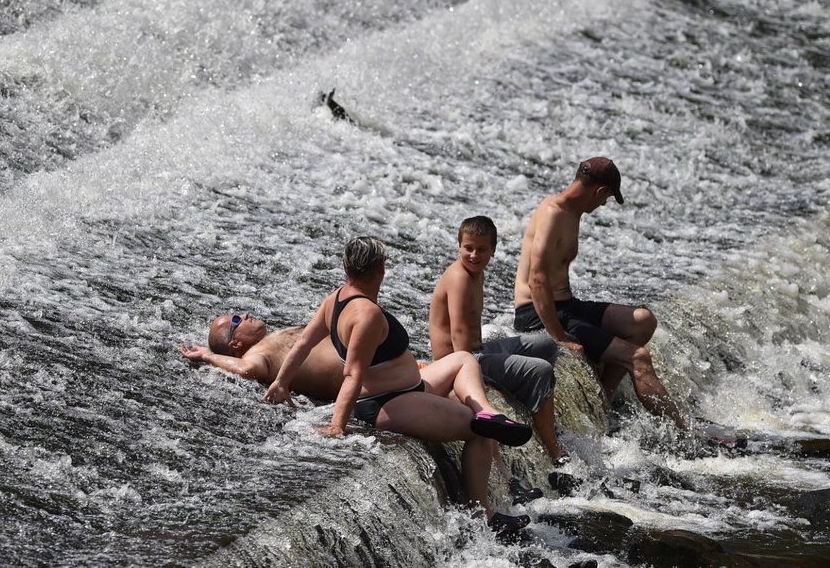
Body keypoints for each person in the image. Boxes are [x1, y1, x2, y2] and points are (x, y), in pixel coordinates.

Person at [264, 236, 534, 533]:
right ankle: (483, 517)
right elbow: (352, 374)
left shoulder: (336, 298)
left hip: (410, 388)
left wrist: (281, 381)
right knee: (479, 433)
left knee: (463, 359)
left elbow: (303, 342)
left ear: (346, 268)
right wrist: (337, 426)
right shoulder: (366, 315)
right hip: (388, 403)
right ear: (381, 269)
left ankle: (486, 410)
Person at [513, 157, 687, 429]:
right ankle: (684, 433)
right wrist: (559, 336)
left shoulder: (573, 212)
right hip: (536, 313)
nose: (603, 205)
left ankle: (602, 403)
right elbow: (537, 279)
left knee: (643, 320)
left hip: (566, 305)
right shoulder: (553, 213)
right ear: (600, 191)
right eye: (606, 198)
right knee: (638, 356)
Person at [430, 216, 568, 471]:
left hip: (478, 351)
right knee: (541, 370)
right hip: (460, 361)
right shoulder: (459, 278)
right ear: (459, 246)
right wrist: (469, 377)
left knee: (546, 346)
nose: (474, 254)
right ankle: (553, 448)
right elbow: (459, 331)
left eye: (481, 249)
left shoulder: (475, 273)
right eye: (468, 248)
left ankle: (533, 400)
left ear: (493, 250)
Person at [178, 312, 345, 401]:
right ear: (236, 344)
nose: (245, 314)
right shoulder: (256, 355)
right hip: (360, 377)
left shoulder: (266, 342)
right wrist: (208, 356)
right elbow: (246, 369)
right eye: (237, 320)